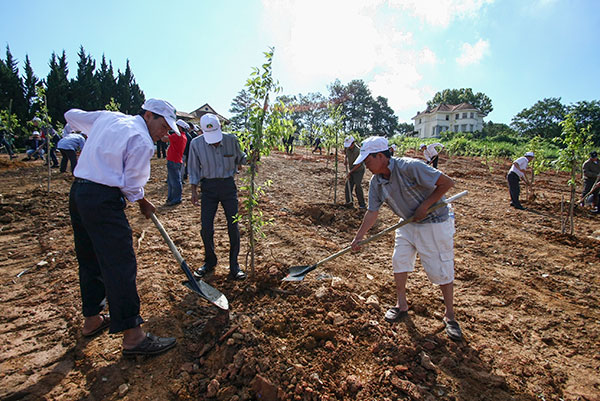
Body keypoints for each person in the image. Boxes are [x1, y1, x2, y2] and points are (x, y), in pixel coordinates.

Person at [64, 98, 179, 356]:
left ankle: (92, 319)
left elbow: (71, 114)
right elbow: (130, 185)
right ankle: (133, 337)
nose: (166, 132)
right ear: (149, 115)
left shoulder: (109, 117)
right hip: (104, 200)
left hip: (80, 194)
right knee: (120, 264)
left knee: (90, 257)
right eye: (164, 125)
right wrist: (142, 202)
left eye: (169, 128)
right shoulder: (141, 140)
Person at [350, 136, 462, 341]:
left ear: (381, 156)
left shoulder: (411, 167)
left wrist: (425, 205)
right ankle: (401, 304)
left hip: (434, 222)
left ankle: (450, 316)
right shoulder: (377, 182)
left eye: (368, 160)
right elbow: (372, 212)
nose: (366, 164)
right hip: (407, 223)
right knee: (399, 261)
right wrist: (358, 237)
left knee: (441, 269)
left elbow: (447, 183)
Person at [188, 113, 247, 281]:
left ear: (220, 128)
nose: (214, 142)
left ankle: (234, 265)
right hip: (208, 188)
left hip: (228, 186)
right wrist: (193, 191)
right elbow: (193, 168)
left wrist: (252, 157)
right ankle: (210, 261)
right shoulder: (196, 144)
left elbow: (241, 158)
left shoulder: (231, 140)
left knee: (233, 225)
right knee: (206, 227)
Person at [164, 119, 188, 206]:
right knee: (172, 181)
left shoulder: (177, 136)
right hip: (176, 160)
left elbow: (164, 139)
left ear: (180, 128)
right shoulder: (182, 136)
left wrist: (163, 130)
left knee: (174, 182)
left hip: (173, 160)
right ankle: (171, 198)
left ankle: (176, 198)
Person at [343, 135, 366, 209]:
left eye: (349, 145)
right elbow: (346, 155)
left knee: (358, 186)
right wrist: (345, 159)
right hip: (352, 169)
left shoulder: (358, 151)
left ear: (353, 143)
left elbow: (359, 164)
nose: (348, 147)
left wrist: (350, 172)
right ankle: (349, 203)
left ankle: (362, 204)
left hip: (359, 170)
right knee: (348, 186)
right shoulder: (347, 149)